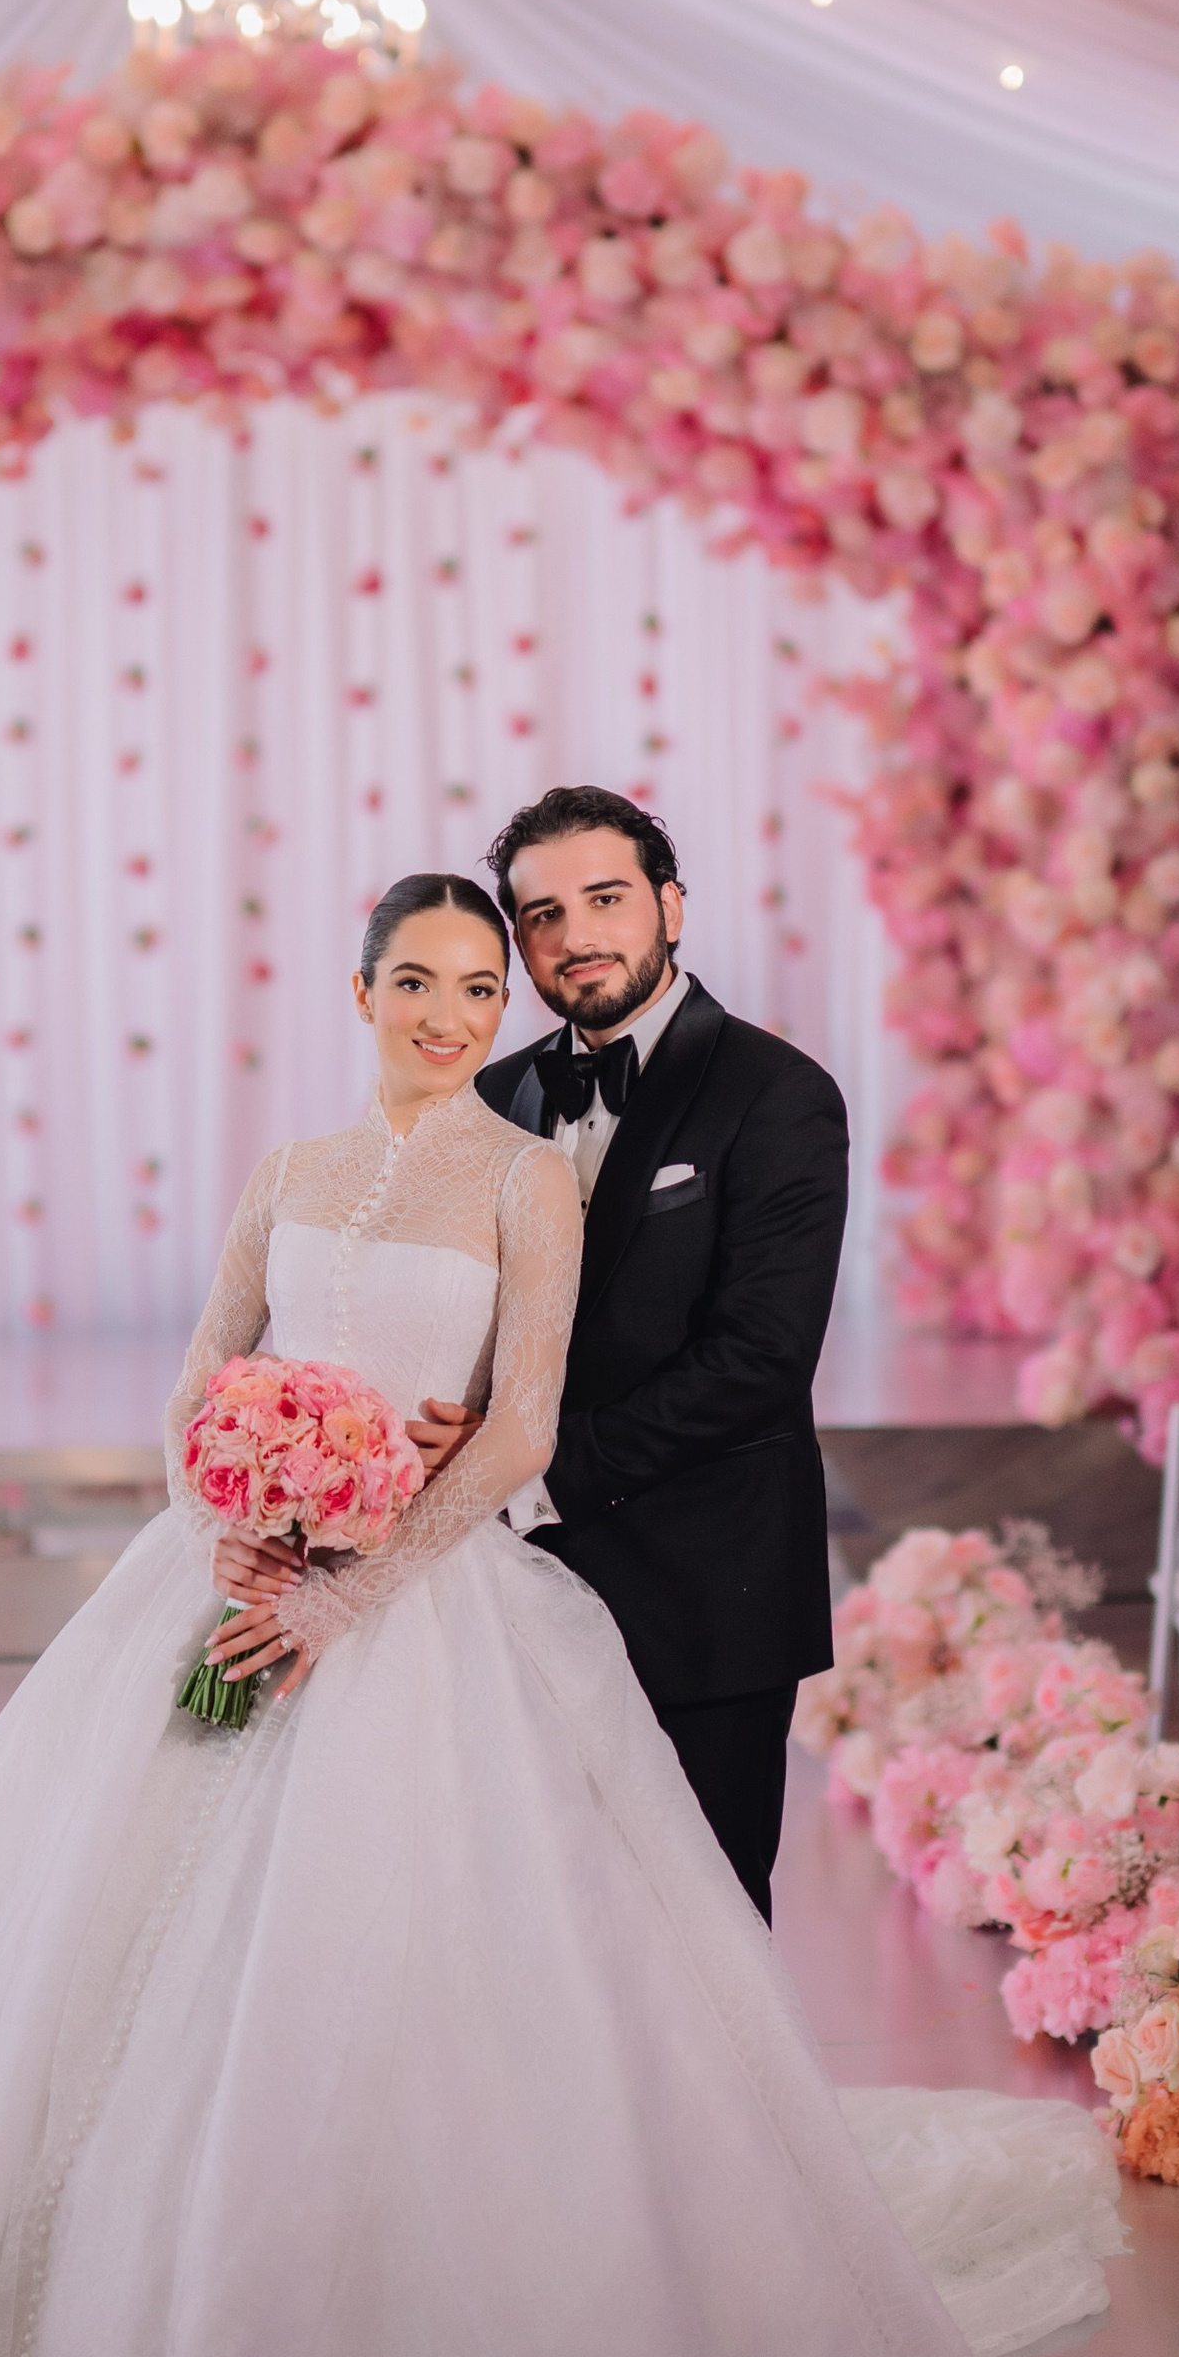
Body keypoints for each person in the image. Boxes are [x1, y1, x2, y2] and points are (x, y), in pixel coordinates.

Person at [0, 874, 1117, 2357]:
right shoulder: (288, 1172)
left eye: (480, 983)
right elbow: (198, 1380)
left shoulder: (531, 1176)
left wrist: (340, 1590)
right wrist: (226, 1516)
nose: (453, 1012)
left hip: (414, 1603)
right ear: (360, 987)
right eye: (418, 981)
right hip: (218, 1583)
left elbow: (523, 1412)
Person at [462, 784, 845, 1922]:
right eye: (541, 915)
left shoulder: (777, 1096)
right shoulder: (492, 1095)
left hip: (705, 1589)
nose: (575, 935)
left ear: (671, 908)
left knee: (703, 1925)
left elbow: (760, 1359)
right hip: (517, 1594)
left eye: (606, 898)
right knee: (537, 1922)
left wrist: (527, 1470)